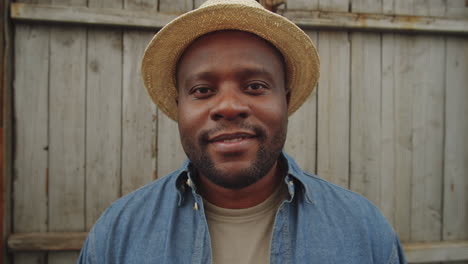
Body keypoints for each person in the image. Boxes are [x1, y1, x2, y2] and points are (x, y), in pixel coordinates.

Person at [78, 0, 407, 263]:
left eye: (255, 86)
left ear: (286, 100)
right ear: (179, 106)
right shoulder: (118, 234)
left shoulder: (363, 230)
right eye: (203, 90)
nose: (229, 106)